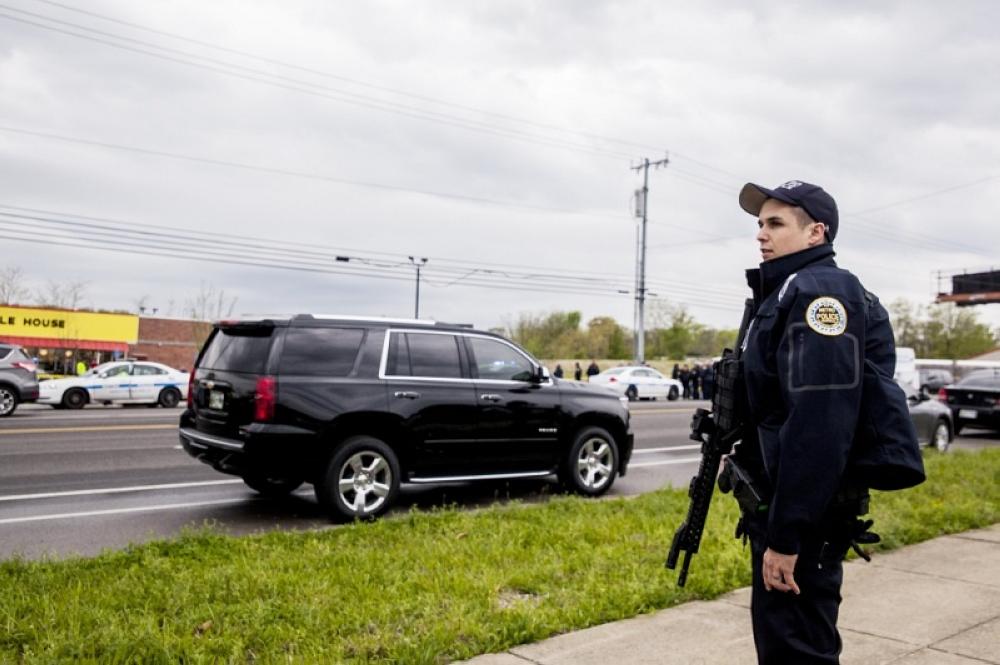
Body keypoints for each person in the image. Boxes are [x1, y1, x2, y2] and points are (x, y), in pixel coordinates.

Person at [728, 179, 910, 664]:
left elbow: (820, 424)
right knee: (786, 643)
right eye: (759, 223)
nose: (761, 235)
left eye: (775, 223)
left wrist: (787, 537)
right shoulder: (788, 289)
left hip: (805, 516)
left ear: (816, 233)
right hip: (791, 506)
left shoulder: (819, 296)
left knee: (798, 650)